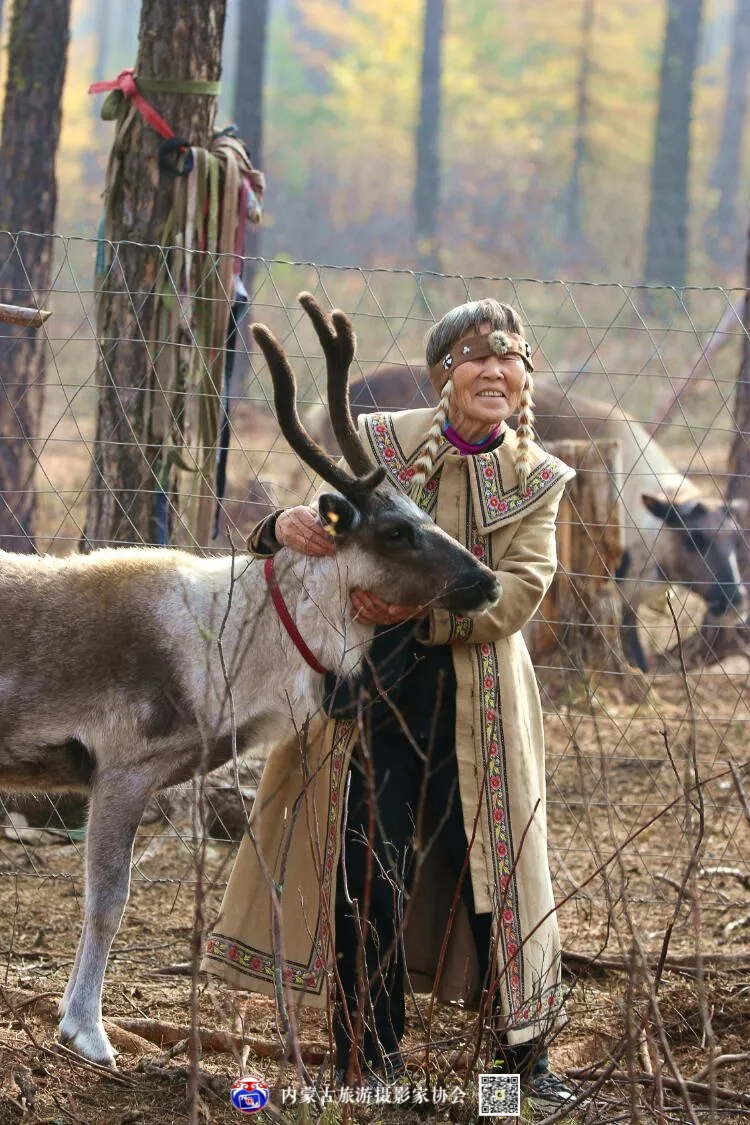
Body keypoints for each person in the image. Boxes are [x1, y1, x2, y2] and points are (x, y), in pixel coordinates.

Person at [203, 298, 576, 1107]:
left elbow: (518, 593)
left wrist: (419, 609)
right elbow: (311, 535)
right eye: (476, 357)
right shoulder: (372, 445)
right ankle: (368, 1060)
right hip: (366, 698)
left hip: (476, 703)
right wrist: (282, 525)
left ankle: (520, 1069)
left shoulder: (538, 480)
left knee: (497, 875)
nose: (495, 371)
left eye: (510, 359)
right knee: (368, 864)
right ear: (444, 374)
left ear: (524, 379)